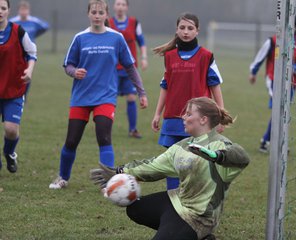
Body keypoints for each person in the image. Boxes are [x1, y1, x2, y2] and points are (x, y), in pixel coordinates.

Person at [91, 97, 250, 240]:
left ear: (203, 119)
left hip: (198, 218)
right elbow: (153, 166)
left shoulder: (220, 144)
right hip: (177, 201)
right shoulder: (182, 146)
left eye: (188, 114)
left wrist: (217, 156)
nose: (183, 117)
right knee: (135, 209)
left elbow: (242, 157)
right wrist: (119, 171)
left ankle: (189, 233)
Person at [49, 0, 148, 189]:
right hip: (81, 97)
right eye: (93, 12)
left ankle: (107, 184)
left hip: (106, 97)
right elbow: (68, 64)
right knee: (71, 140)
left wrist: (141, 92)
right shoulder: (80, 38)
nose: (96, 15)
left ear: (106, 15)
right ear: (88, 14)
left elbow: (130, 67)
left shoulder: (116, 38)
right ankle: (62, 177)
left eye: (100, 12)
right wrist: (74, 72)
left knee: (104, 137)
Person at [151, 12, 225, 190]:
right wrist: (157, 113)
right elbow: (165, 87)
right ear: (177, 30)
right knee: (172, 161)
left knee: (195, 163)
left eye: (190, 28)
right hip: (173, 118)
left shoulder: (206, 56)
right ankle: (173, 200)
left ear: (197, 31)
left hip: (197, 119)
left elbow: (215, 86)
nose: (186, 32)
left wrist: (220, 113)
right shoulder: (170, 57)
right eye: (182, 28)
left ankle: (194, 199)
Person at [249, 18, 296, 153]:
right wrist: (253, 72)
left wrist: (293, 68)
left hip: (292, 83)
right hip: (273, 80)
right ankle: (279, 143)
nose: (288, 29)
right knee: (279, 110)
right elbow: (260, 57)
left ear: (295, 27)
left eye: (291, 26)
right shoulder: (272, 41)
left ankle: (267, 141)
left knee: (282, 111)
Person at [0, 0, 37, 173]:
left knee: (11, 130)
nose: (0, 11)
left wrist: (29, 70)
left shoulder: (18, 31)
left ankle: (9, 153)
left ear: (8, 11)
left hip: (13, 90)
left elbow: (32, 52)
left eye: (3, 8)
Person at [109, 0, 148, 138]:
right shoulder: (108, 22)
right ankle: (105, 128)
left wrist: (144, 58)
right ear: (114, 6)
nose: (120, 7)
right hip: (111, 69)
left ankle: (133, 129)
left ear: (127, 7)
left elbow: (141, 42)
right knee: (109, 99)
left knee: (131, 97)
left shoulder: (134, 22)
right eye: (118, 4)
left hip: (129, 69)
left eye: (123, 4)